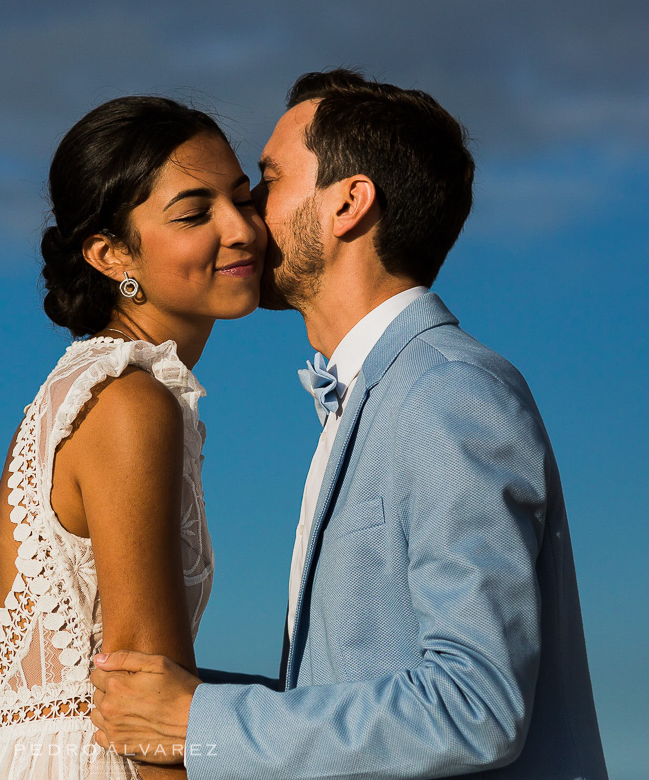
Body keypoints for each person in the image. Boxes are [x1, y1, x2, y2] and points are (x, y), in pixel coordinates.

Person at [89, 69, 608, 779]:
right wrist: (179, 702)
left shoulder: (448, 393)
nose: (245, 217)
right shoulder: (373, 395)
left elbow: (474, 706)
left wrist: (199, 720)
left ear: (348, 205)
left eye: (266, 183)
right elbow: (347, 693)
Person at [0, 95, 266, 779]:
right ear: (108, 254)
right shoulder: (129, 402)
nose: (242, 229)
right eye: (195, 213)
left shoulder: (91, 390)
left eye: (243, 199)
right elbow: (150, 709)